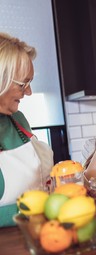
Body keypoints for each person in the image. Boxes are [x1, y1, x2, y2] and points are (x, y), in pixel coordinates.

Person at [0, 32, 53, 227]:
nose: (29, 92)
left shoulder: (18, 119)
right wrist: (41, 207)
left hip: (39, 234)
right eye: (24, 84)